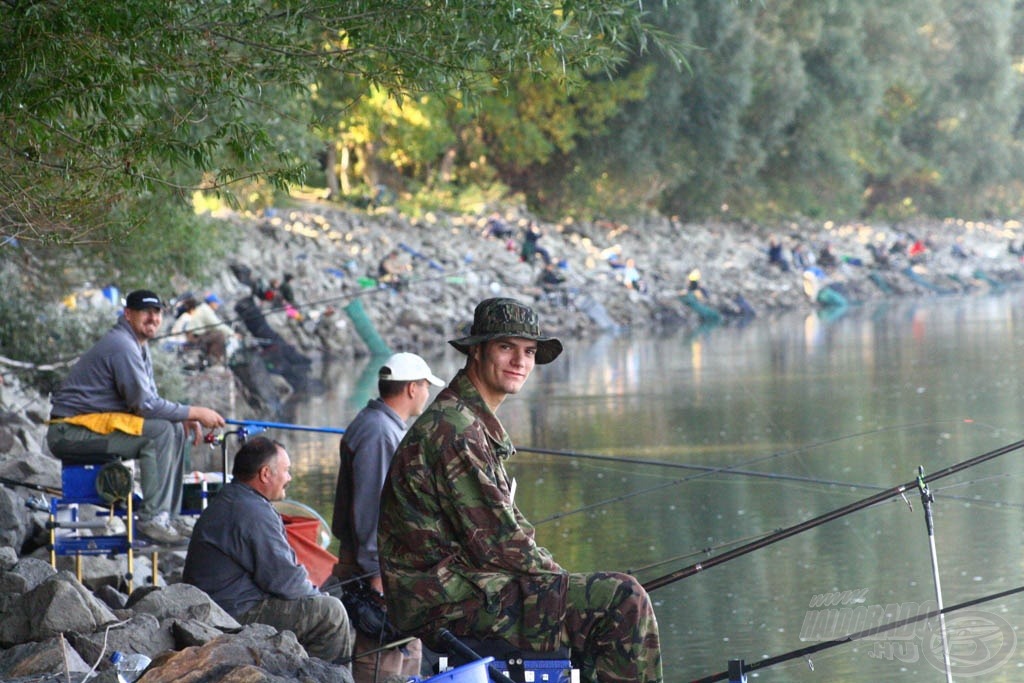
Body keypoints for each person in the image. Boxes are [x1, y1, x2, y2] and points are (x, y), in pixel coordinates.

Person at [378, 298, 662, 683]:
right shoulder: (455, 430)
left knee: (601, 601)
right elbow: (502, 543)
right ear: (476, 351)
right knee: (622, 598)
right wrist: (561, 582)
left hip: (462, 588)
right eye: (506, 347)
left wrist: (558, 584)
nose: (520, 362)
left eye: (529, 352)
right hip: (444, 601)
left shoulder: (466, 419)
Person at [46, 289, 226, 545]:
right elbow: (144, 405)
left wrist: (182, 418)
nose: (153, 318)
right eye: (146, 312)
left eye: (157, 313)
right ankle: (151, 519)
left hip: (91, 428)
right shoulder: (122, 345)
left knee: (173, 429)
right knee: (160, 432)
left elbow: (149, 401)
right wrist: (194, 411)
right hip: (68, 434)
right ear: (128, 314)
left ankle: (168, 517)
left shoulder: (137, 344)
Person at [184, 437, 354, 664]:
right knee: (331, 613)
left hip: (217, 605)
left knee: (326, 597)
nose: (289, 478)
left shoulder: (234, 498)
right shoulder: (252, 511)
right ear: (265, 474)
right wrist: (318, 596)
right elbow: (285, 581)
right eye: (286, 471)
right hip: (230, 614)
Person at [330, 352, 443, 683]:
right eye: (425, 386)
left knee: (407, 650)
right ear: (411, 388)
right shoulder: (379, 433)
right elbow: (371, 509)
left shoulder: (380, 426)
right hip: (382, 571)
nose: (427, 393)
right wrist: (377, 573)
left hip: (398, 568)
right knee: (382, 653)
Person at [188, 293, 237, 365]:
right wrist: (232, 333)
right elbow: (217, 325)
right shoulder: (206, 310)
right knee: (219, 335)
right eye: (216, 303)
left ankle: (210, 358)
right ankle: (214, 359)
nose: (217, 305)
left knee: (215, 334)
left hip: (196, 334)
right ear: (211, 303)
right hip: (194, 336)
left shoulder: (203, 308)